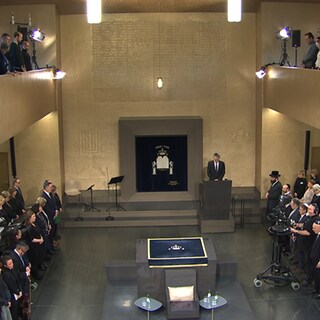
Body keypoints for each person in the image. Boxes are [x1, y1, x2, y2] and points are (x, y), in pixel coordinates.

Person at [291, 203, 319, 286]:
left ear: (315, 210)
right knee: (306, 261)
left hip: (310, 245)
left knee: (309, 263)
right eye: (308, 209)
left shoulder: (316, 220)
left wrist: (295, 231)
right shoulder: (309, 218)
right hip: (305, 244)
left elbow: (308, 232)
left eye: (310, 209)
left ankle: (309, 278)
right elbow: (306, 225)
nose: (309, 210)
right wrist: (298, 225)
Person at [1, 256, 22, 320]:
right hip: (12, 295)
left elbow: (17, 280)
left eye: (12, 262)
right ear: (5, 265)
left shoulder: (12, 269)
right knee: (14, 311)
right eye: (9, 264)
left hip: (17, 292)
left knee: (17, 308)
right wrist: (17, 292)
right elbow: (10, 286)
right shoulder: (6, 274)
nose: (12, 264)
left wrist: (20, 290)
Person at [311, 221, 320, 299]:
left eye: (314, 228)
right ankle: (316, 289)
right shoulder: (317, 235)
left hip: (319, 260)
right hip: (315, 258)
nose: (312, 229)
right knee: (316, 275)